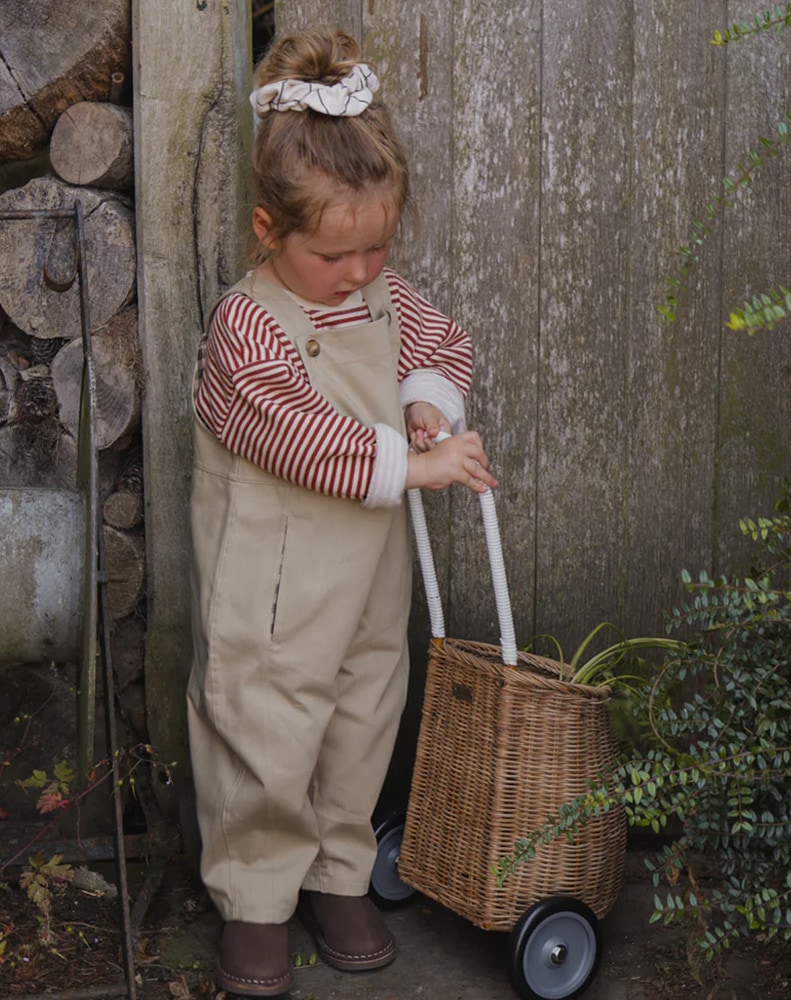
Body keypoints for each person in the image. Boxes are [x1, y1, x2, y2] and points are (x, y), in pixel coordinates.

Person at [186, 28, 497, 998]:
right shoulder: (247, 326)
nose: (361, 271)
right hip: (273, 578)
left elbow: (443, 340)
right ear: (268, 231)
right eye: (337, 253)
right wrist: (422, 459)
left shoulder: (381, 293)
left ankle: (336, 873)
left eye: (378, 246)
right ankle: (256, 898)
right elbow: (302, 436)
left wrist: (426, 398)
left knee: (365, 709)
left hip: (366, 571)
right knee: (270, 721)